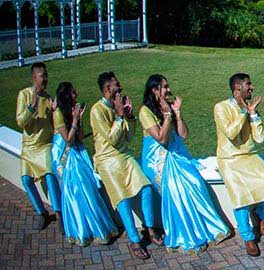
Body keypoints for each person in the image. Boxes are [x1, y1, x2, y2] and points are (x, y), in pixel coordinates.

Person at [139, 74, 230, 253]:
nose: (169, 90)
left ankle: (206, 228)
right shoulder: (145, 112)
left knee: (195, 182)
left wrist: (177, 114)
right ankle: (185, 234)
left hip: (176, 155)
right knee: (175, 188)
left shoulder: (167, 106)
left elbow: (183, 135)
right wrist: (167, 115)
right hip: (157, 161)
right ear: (154, 90)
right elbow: (162, 139)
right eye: (165, 87)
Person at [90, 71, 162, 260]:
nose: (120, 86)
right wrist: (120, 117)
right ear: (107, 88)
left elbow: (129, 138)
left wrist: (129, 117)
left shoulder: (117, 106)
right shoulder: (97, 110)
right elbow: (112, 139)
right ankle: (134, 240)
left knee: (145, 187)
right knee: (122, 198)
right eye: (117, 84)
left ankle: (150, 229)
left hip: (124, 155)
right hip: (106, 159)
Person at [214, 73, 264, 257]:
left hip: (250, 156)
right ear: (237, 88)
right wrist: (244, 112)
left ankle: (260, 215)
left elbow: (259, 138)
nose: (251, 87)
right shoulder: (221, 107)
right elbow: (231, 133)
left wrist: (253, 115)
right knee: (240, 198)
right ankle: (248, 237)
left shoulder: (250, 109)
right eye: (248, 85)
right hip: (230, 159)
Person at [50, 82, 118, 246]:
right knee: (75, 188)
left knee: (88, 187)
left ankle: (96, 228)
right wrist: (75, 119)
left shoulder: (73, 110)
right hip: (64, 154)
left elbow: (79, 137)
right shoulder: (58, 113)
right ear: (67, 96)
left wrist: (79, 119)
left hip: (77, 149)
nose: (77, 94)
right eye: (73, 93)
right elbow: (67, 139)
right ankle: (81, 230)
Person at [15, 62, 61, 231]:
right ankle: (41, 213)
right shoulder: (24, 95)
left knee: (49, 175)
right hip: (29, 147)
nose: (46, 79)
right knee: (26, 179)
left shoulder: (48, 99)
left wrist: (55, 112)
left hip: (44, 145)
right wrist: (31, 106)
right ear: (34, 77)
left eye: (46, 75)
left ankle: (58, 213)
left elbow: (53, 126)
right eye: (43, 76)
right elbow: (20, 122)